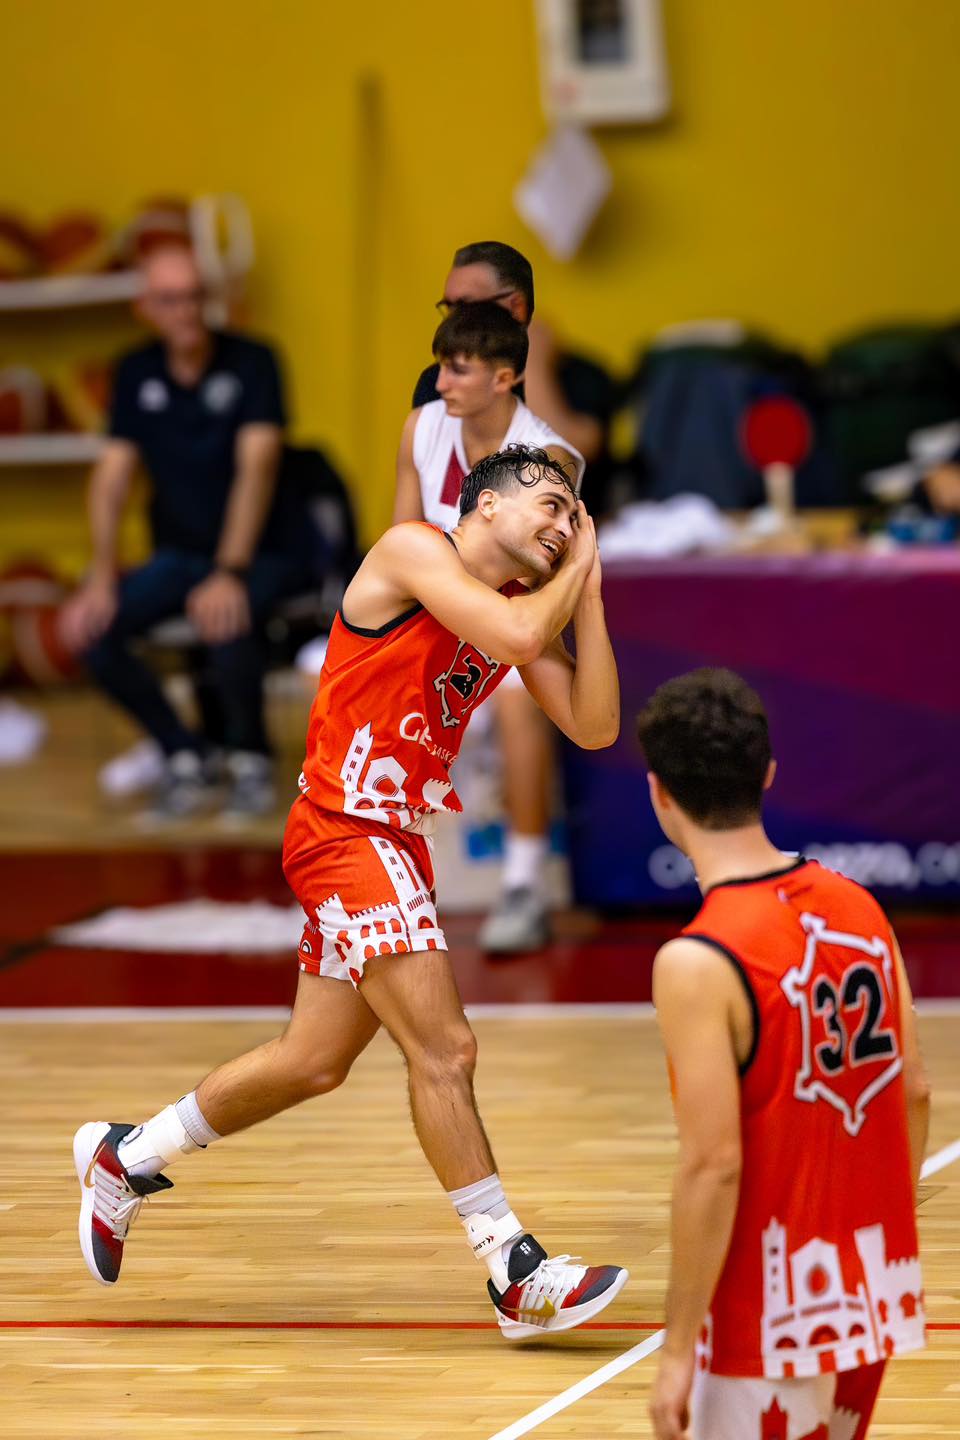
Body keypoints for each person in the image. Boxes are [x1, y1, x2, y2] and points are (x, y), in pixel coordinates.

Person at [74, 444, 628, 1337]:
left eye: (575, 514)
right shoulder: (416, 549)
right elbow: (521, 641)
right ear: (486, 505)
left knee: (314, 1061)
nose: (565, 525)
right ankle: (512, 1269)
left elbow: (595, 725)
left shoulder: (523, 600)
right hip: (345, 831)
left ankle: (128, 1155)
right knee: (445, 1048)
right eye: (551, 505)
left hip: (395, 839)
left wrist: (588, 593)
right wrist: (576, 572)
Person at [636, 669, 929, 1439]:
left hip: (766, 1309)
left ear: (659, 794)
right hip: (872, 1283)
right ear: (766, 773)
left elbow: (714, 1165)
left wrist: (676, 1351)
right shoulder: (860, 907)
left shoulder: (696, 959)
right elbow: (914, 1090)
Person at [404, 240, 615, 953]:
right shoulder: (425, 420)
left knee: (525, 684)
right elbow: (397, 541)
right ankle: (372, 867)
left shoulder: (547, 456)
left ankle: (522, 881)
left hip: (505, 625)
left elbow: (536, 598)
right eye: (448, 309)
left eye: (469, 308)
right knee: (332, 663)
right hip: (436, 617)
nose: (452, 324)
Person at [59, 244, 314, 820]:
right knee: (90, 630)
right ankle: (183, 753)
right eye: (170, 299)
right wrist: (100, 577)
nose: (186, 311)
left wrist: (230, 571)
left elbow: (258, 468)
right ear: (145, 307)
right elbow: (111, 478)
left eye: (195, 296)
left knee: (223, 614)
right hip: (179, 553)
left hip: (265, 550)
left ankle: (249, 757)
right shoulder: (135, 370)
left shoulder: (254, 361)